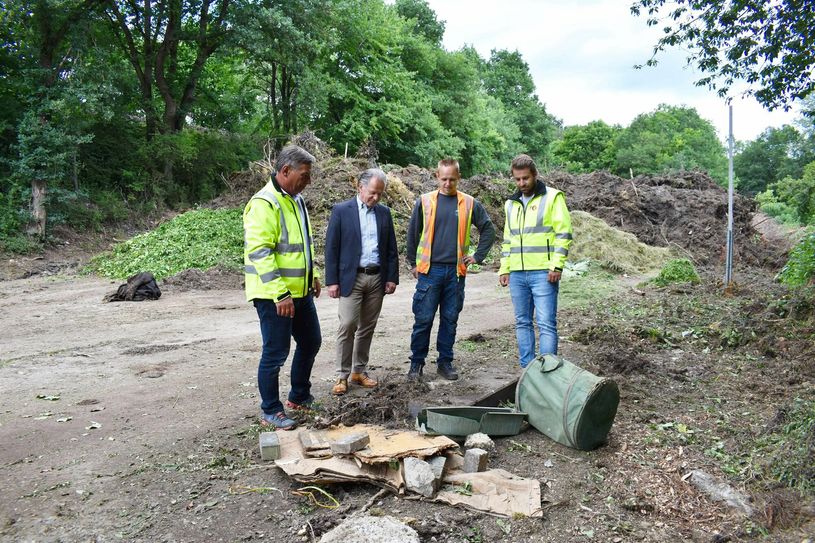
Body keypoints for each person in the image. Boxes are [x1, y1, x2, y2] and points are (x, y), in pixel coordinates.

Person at [243, 145, 322, 430]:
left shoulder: (296, 200)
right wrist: (280, 294)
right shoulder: (264, 203)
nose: (308, 181)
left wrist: (313, 274)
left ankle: (299, 396)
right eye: (304, 175)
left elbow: (303, 245)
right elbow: (260, 252)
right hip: (273, 295)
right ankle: (271, 410)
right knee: (275, 353)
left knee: (311, 341)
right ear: (286, 170)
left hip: (300, 292)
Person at [406, 158, 496, 381]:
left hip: (455, 273)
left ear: (459, 178)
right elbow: (413, 233)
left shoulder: (469, 203)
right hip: (429, 271)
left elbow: (488, 229)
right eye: (444, 179)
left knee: (449, 319)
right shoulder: (425, 201)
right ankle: (416, 364)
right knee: (423, 319)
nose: (448, 183)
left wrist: (477, 256)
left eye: (452, 179)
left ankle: (445, 363)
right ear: (437, 176)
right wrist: (412, 264)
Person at [324, 168, 399, 395]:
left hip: (377, 277)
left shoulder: (384, 213)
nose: (375, 197)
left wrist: (392, 277)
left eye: (380, 194)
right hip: (351, 277)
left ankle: (359, 371)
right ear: (360, 187)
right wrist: (332, 281)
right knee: (347, 324)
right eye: (372, 192)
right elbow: (331, 247)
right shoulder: (341, 211)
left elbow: (391, 248)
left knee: (367, 326)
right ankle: (342, 375)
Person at [499, 154, 572, 368]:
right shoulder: (510, 204)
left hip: (544, 272)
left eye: (526, 178)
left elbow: (563, 234)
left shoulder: (553, 197)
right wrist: (505, 268)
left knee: (546, 324)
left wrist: (556, 265)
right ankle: (527, 371)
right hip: (517, 274)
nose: (522, 183)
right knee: (522, 323)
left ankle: (547, 372)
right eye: (517, 179)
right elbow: (508, 239)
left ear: (535, 175)